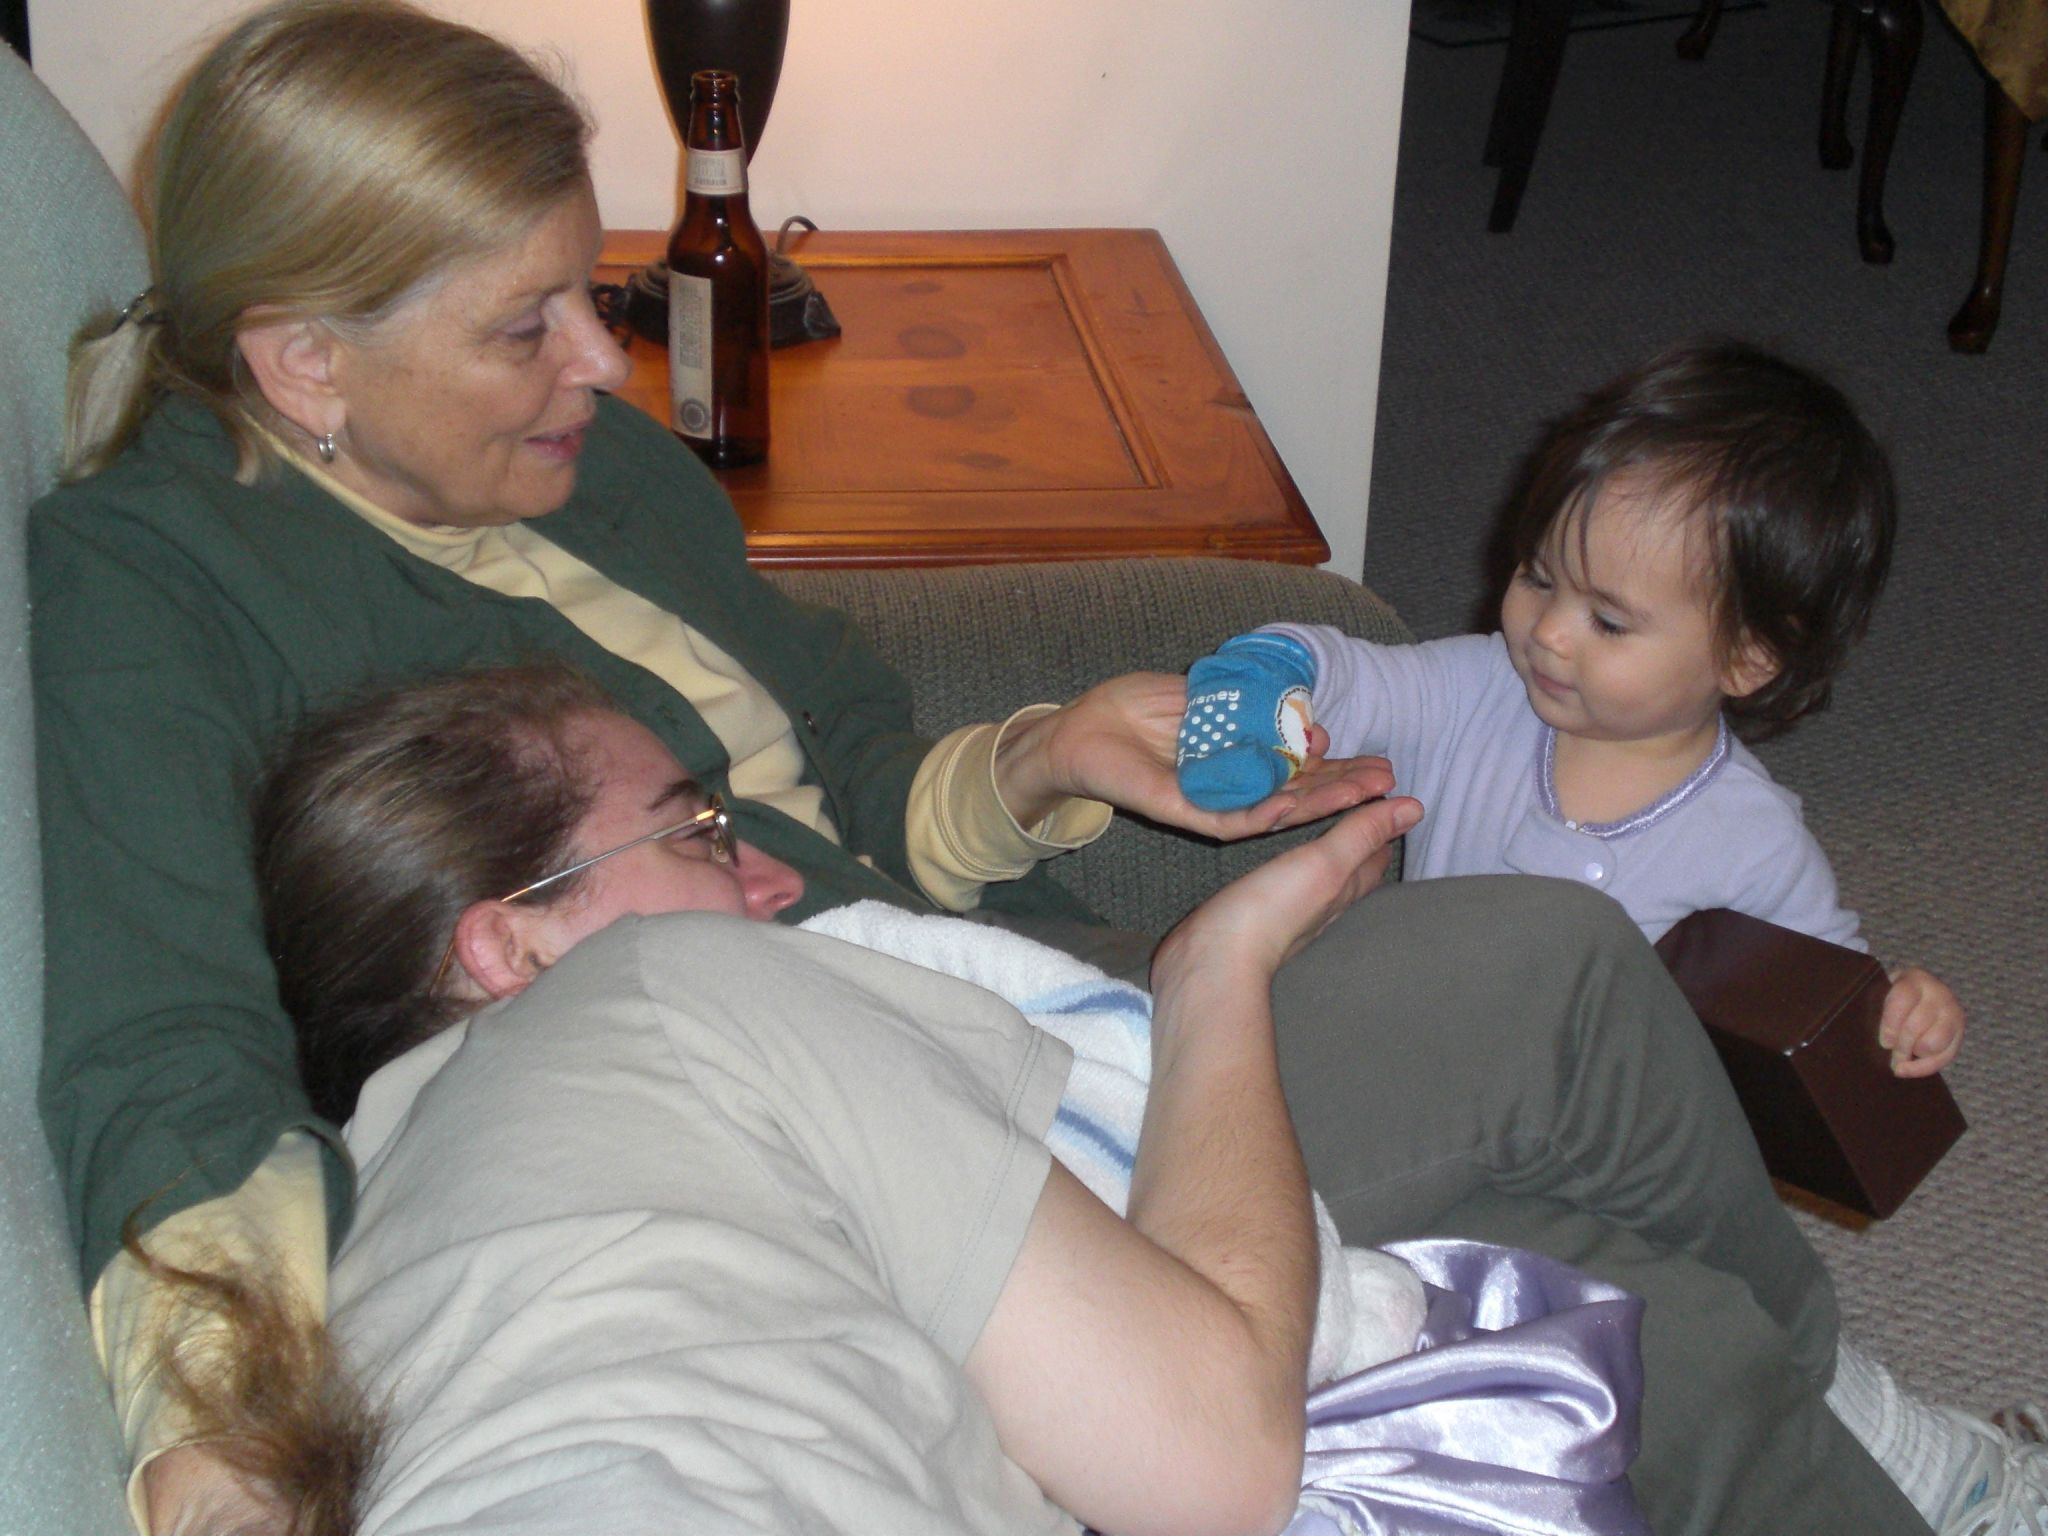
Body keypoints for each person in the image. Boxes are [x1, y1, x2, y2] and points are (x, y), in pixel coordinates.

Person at [25, 2, 2029, 1532]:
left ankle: (1853, 1440)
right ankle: (1873, 1427)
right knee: (1555, 983)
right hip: (864, 1124)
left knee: (1602, 1287)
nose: (603, 361)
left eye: (582, 290)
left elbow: (844, 739)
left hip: (1007, 995)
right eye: (522, 325)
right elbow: (166, 1047)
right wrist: (227, 1433)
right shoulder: (156, 581)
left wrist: (1050, 751)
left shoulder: (598, 469)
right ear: (303, 361)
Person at [219, 662, 1647, 1534]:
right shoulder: (664, 990)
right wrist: (1217, 975)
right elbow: (1217, 1461)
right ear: (513, 946)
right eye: (698, 836)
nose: (774, 878)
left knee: (1609, 1277)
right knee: (1561, 997)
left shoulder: (356, 1245)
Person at [1176, 341, 1964, 1077]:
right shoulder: (1480, 690)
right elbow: (1361, 677)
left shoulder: (1752, 839)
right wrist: (1275, 670)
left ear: (1745, 659)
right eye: (1539, 576)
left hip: (1577, 1119)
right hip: (1400, 1035)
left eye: (1609, 622)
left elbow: (1825, 988)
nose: (1548, 632)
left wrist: (1897, 1010)